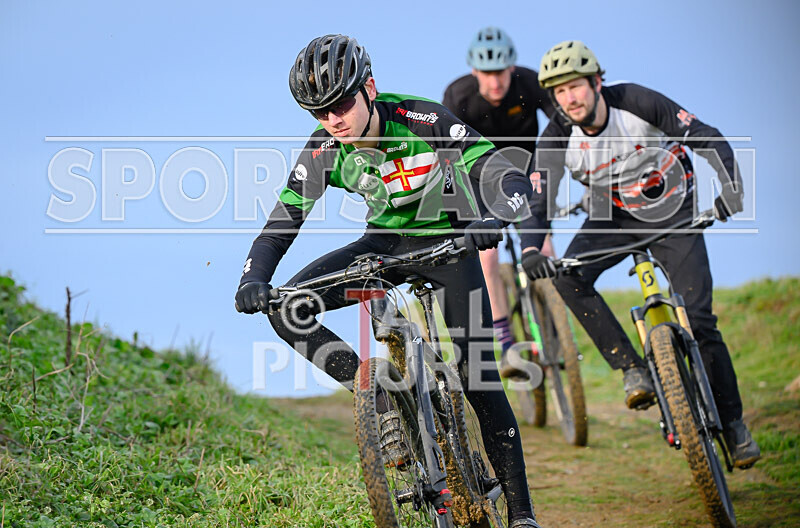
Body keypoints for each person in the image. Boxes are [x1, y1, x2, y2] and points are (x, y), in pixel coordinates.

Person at [235, 34, 543, 527]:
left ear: (370, 89)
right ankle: (373, 394)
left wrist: (494, 217)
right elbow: (282, 222)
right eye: (319, 113)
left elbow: (504, 175)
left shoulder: (422, 119)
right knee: (287, 310)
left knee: (478, 378)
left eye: (340, 104)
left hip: (447, 243)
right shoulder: (325, 149)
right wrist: (255, 276)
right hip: (383, 246)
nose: (333, 120)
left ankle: (523, 514)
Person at [520, 40, 760, 468]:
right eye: (558, 92)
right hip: (612, 214)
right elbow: (538, 201)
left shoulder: (636, 102)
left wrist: (731, 187)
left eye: (575, 86)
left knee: (701, 322)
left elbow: (705, 136)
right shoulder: (557, 136)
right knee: (566, 276)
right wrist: (531, 248)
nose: (569, 98)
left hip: (672, 209)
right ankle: (633, 368)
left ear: (596, 82)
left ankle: (735, 425)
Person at [443, 27, 556, 378]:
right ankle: (507, 342)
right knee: (487, 255)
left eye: (502, 72)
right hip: (481, 179)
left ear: (512, 68)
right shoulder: (458, 94)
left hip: (528, 171)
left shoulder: (530, 83)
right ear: (475, 73)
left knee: (545, 246)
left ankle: (556, 327)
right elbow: (447, 156)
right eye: (488, 74)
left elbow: (562, 126)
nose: (496, 83)